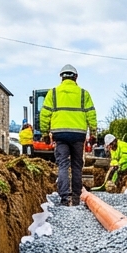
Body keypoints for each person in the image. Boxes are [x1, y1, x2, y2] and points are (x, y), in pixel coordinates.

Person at [39, 64, 97, 206]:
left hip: (60, 134)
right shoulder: (84, 94)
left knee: (63, 165)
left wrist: (45, 133)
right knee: (77, 166)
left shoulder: (53, 93)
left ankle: (65, 198)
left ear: (61, 77)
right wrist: (93, 133)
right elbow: (91, 114)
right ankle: (76, 198)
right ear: (76, 77)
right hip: (78, 135)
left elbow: (45, 114)